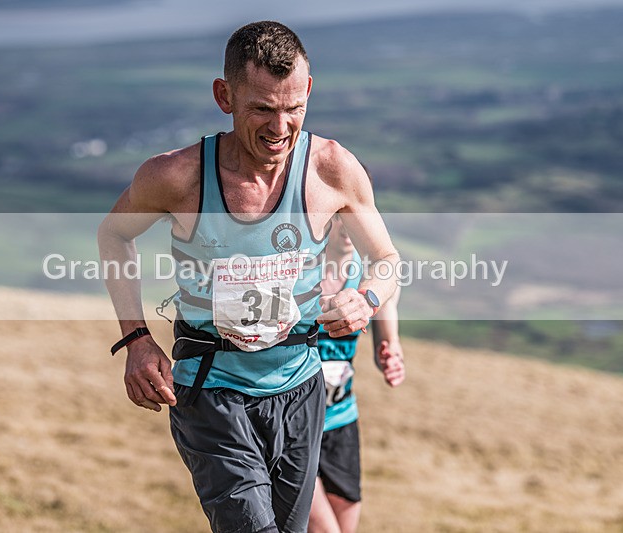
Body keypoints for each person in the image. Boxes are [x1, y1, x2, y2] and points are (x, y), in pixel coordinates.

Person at [97, 20, 400, 533]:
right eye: (262, 108)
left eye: (293, 109)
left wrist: (366, 299)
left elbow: (387, 260)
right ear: (224, 95)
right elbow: (113, 236)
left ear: (308, 90)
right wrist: (136, 339)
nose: (280, 128)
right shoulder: (177, 176)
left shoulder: (332, 169)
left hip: (301, 391)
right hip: (210, 389)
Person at [308, 217, 405, 533]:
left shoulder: (376, 280)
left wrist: (391, 359)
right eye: (340, 216)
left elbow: (387, 346)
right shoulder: (298, 272)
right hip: (295, 424)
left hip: (341, 422)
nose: (349, 226)